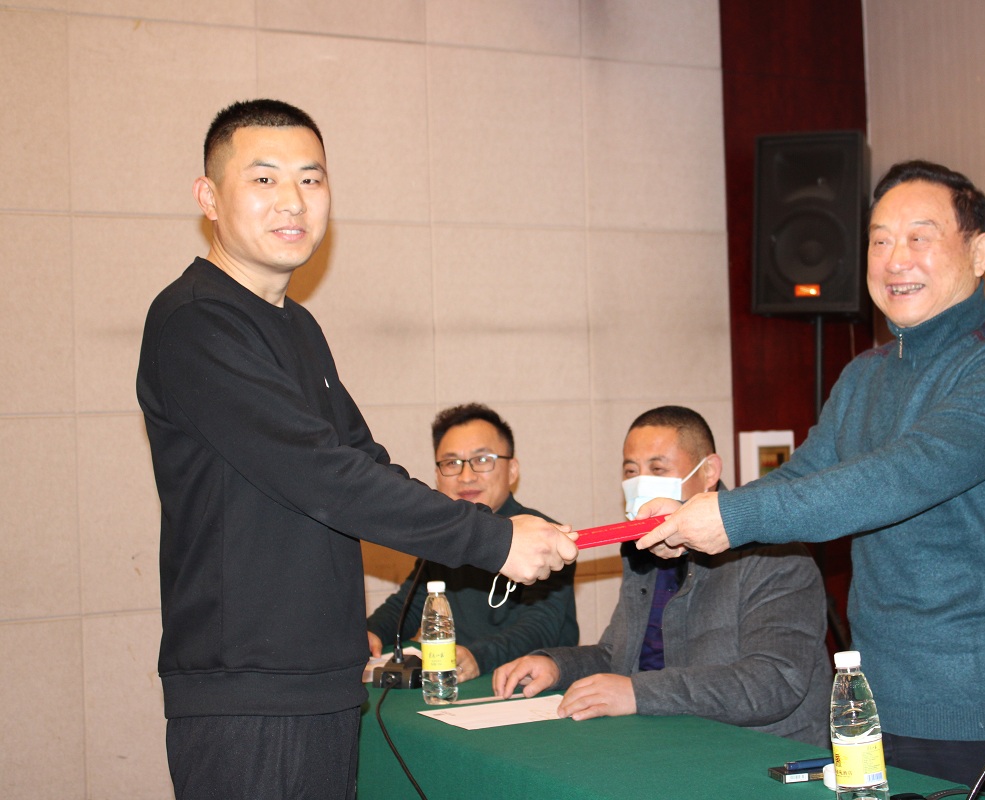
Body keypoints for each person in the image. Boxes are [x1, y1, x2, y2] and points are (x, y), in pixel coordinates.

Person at [136, 99, 576, 800]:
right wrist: (492, 540)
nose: (293, 200)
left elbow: (364, 462)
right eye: (264, 179)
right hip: (250, 689)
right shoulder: (196, 321)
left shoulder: (297, 326)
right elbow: (323, 474)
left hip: (323, 680)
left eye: (311, 179)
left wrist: (502, 529)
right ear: (208, 198)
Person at [638, 162, 985, 799]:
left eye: (920, 237)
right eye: (879, 240)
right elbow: (807, 476)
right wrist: (696, 515)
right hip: (875, 706)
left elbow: (901, 476)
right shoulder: (864, 374)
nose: (895, 259)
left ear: (979, 253)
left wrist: (729, 519)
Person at [493, 406, 830, 745]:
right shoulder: (645, 550)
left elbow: (773, 683)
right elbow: (619, 655)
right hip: (670, 740)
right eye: (631, 470)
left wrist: (638, 693)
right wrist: (557, 666)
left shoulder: (774, 555)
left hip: (763, 752)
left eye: (657, 469)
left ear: (709, 471)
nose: (641, 483)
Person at [366, 403, 578, 680]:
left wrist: (479, 656)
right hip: (460, 682)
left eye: (482, 460)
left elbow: (541, 627)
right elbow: (409, 604)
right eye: (452, 463)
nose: (466, 477)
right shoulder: (445, 535)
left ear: (512, 470)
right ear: (437, 476)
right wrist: (371, 632)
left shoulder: (545, 537)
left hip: (533, 686)